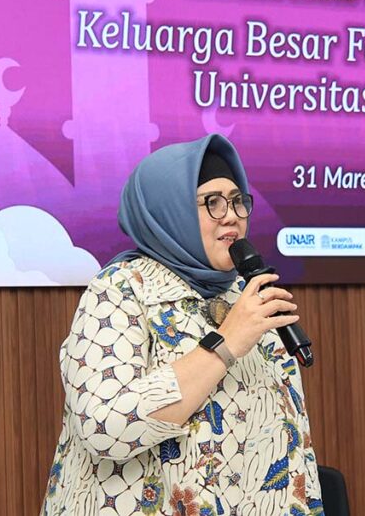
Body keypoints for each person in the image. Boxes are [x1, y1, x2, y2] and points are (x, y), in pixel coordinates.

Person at [41, 135, 322, 516]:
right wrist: (224, 345)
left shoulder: (247, 296)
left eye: (237, 200)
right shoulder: (121, 290)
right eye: (212, 202)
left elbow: (288, 441)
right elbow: (104, 429)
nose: (231, 215)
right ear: (169, 211)